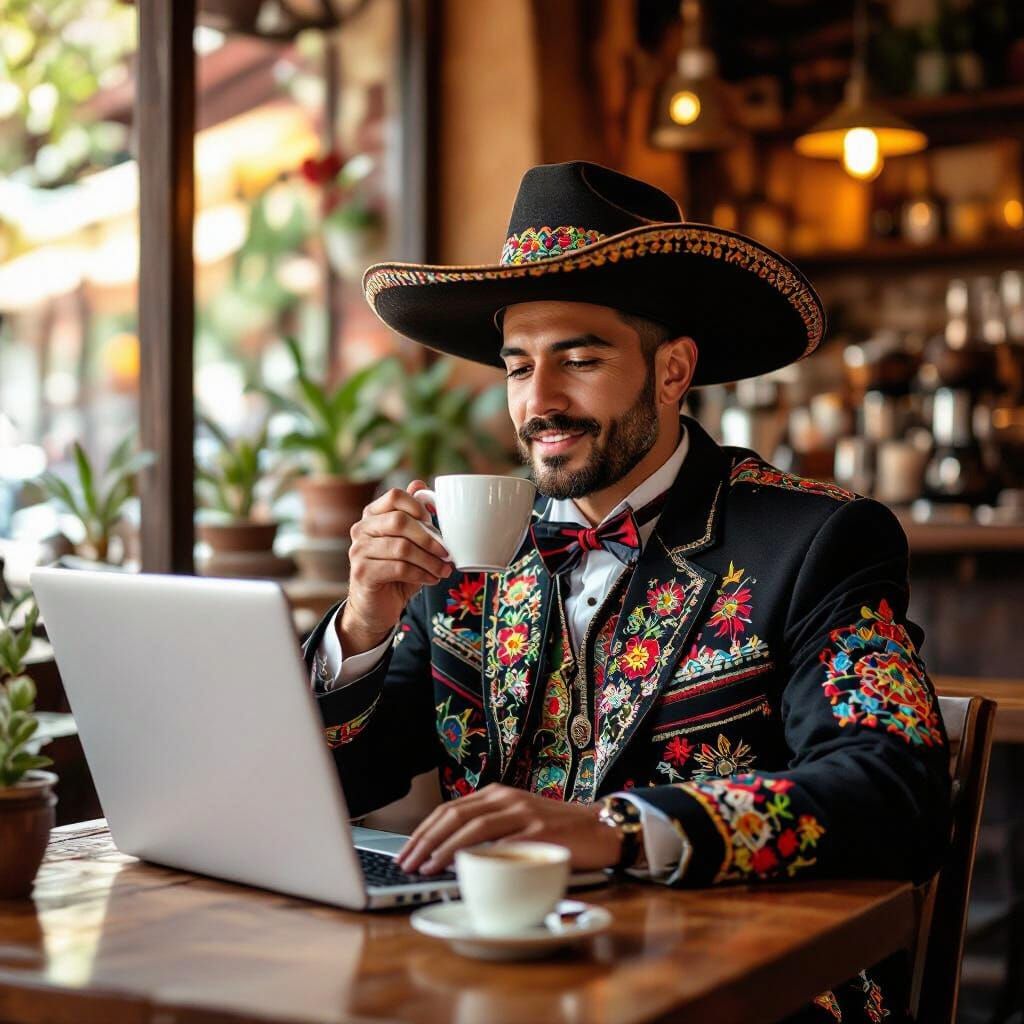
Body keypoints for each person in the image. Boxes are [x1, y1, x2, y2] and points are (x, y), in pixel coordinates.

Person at [303, 161, 950, 1023]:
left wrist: (620, 827)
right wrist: (363, 623)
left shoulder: (818, 539)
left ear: (674, 370)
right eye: (518, 366)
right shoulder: (460, 548)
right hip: (481, 978)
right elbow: (333, 785)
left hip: (742, 988)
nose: (540, 402)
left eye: (579, 359)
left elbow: (897, 790)